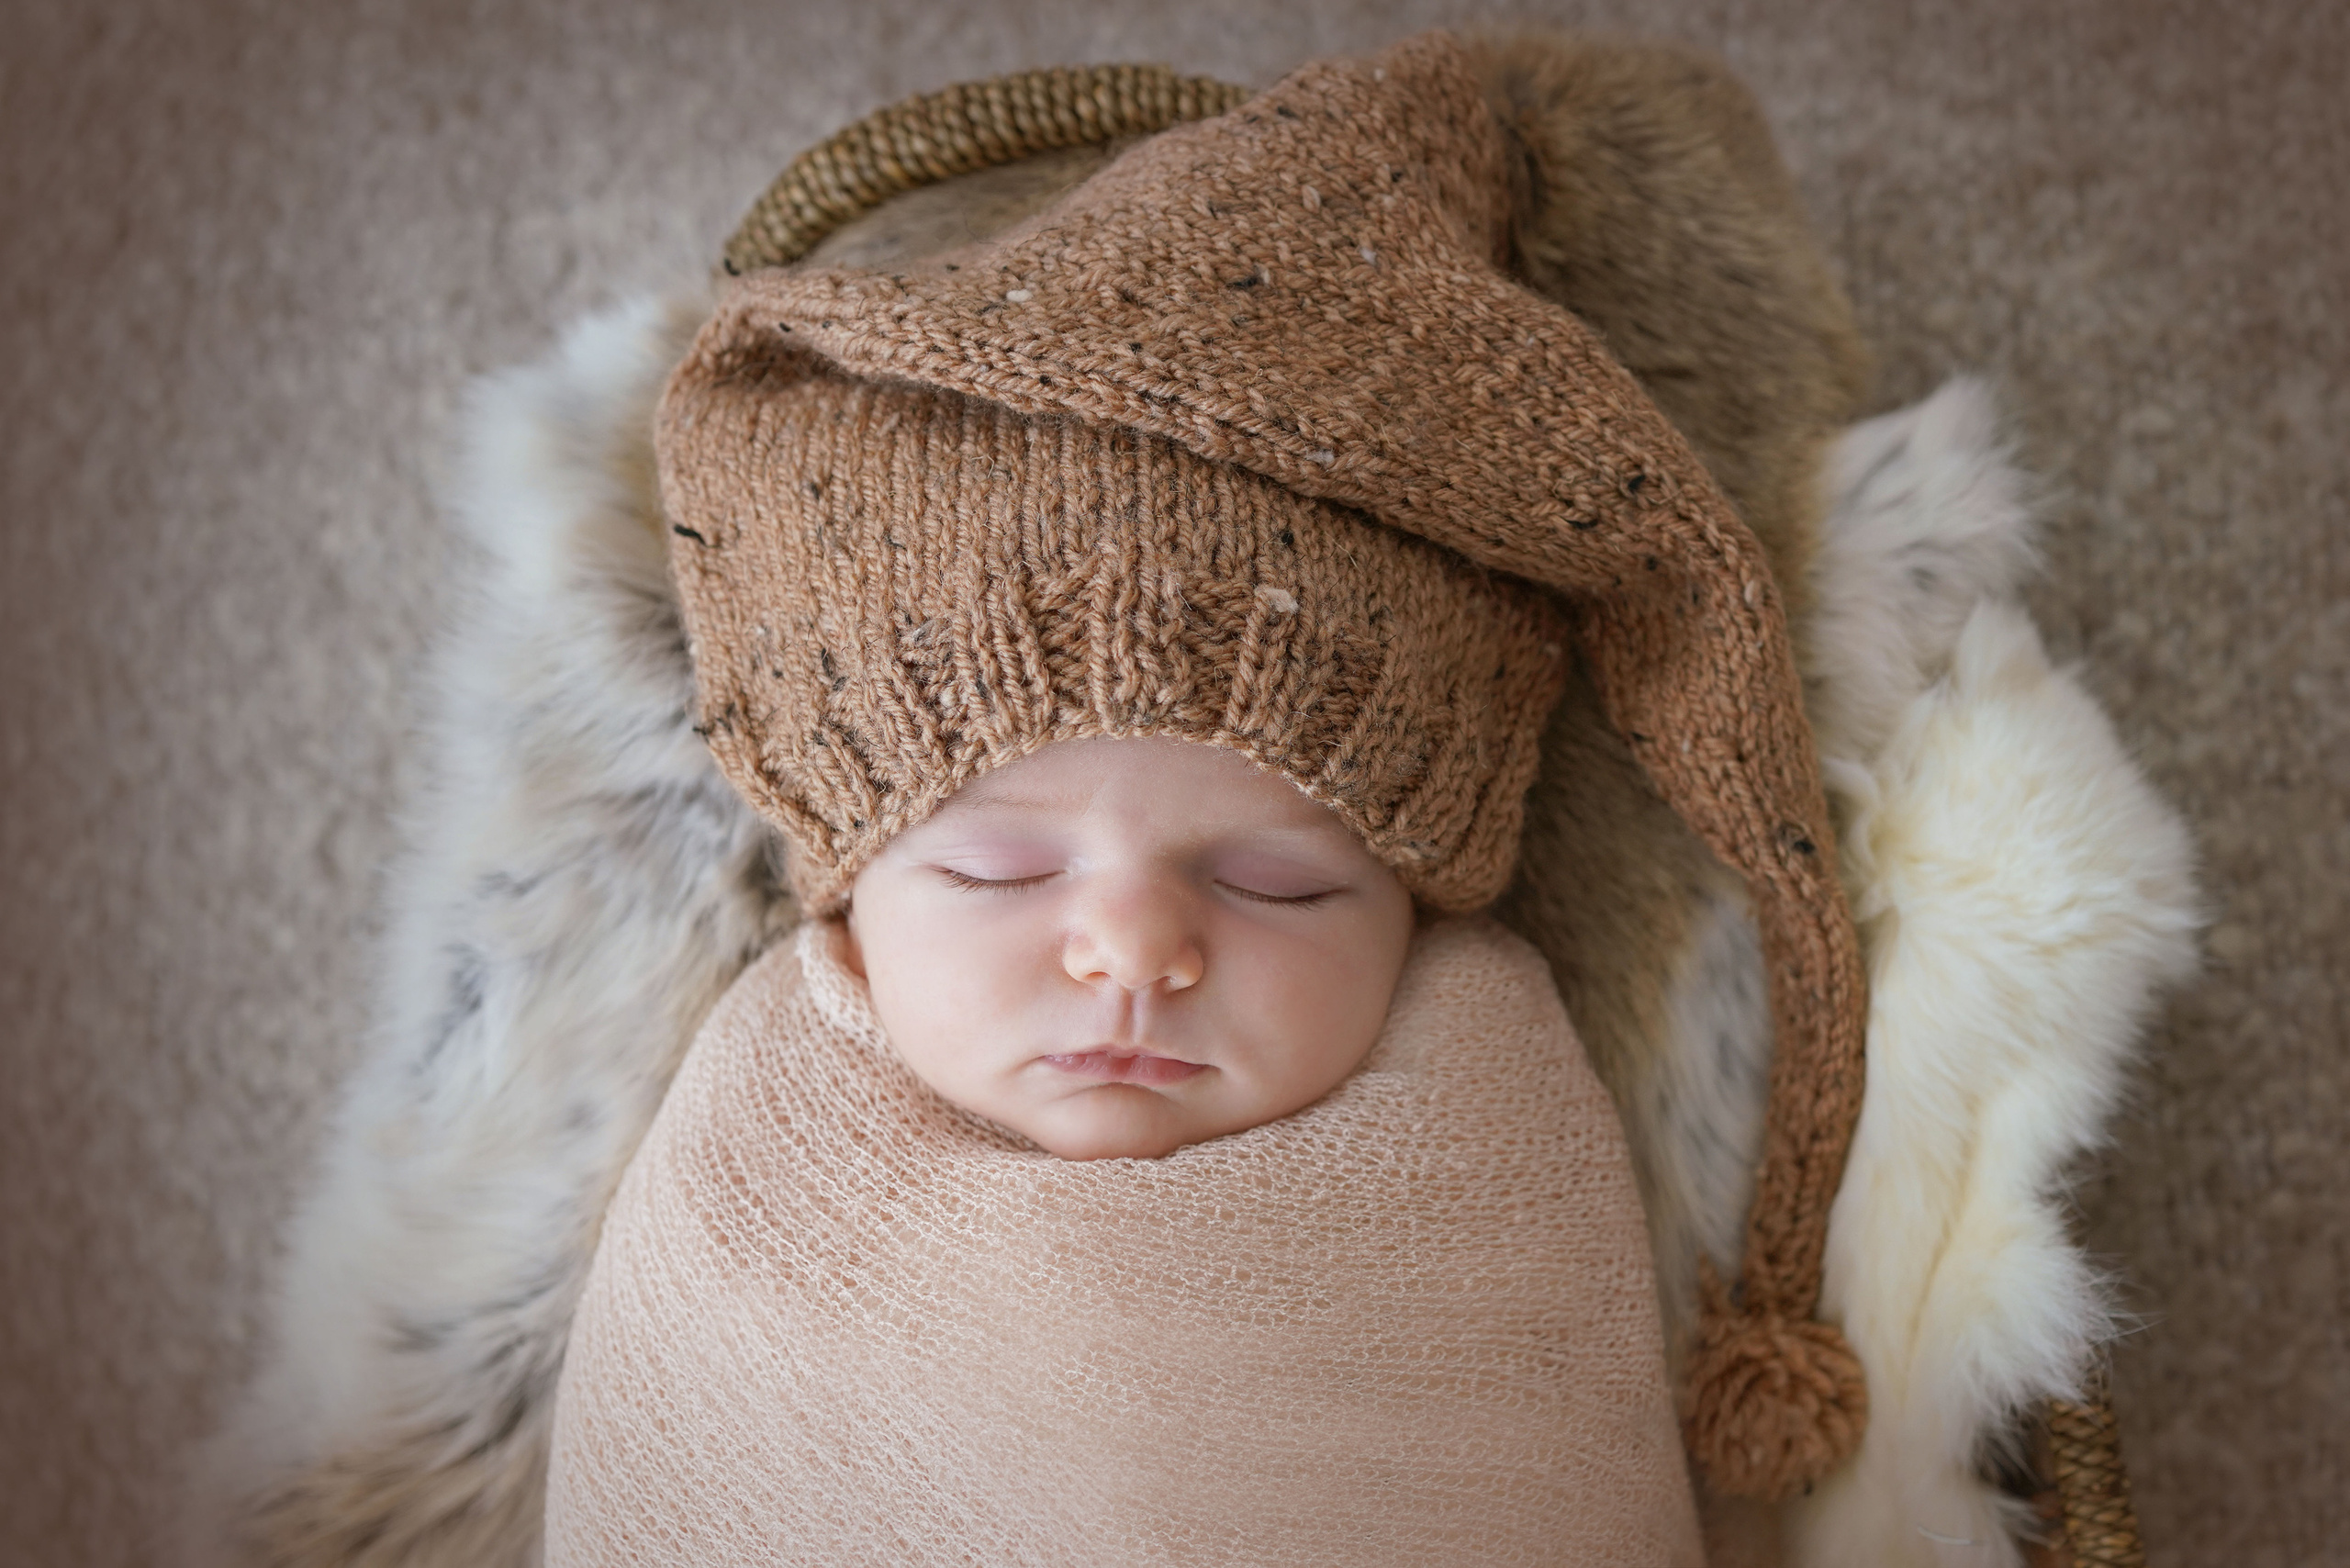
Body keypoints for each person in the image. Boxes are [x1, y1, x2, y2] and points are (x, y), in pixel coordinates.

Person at [544, 33, 1872, 1562]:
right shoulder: (760, 1161)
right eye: (993, 871)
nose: (1133, 949)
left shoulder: (1497, 1144)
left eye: (1277, 883)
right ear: (843, 885)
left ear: (1424, 901)